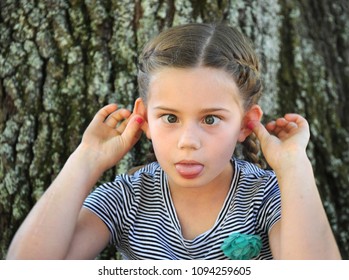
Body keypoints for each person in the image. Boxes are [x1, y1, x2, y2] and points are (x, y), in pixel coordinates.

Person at [6, 23, 341, 260]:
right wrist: (86, 159)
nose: (188, 142)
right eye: (169, 118)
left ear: (245, 123)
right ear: (145, 118)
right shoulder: (126, 199)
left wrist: (294, 164)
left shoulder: (268, 197)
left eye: (211, 119)